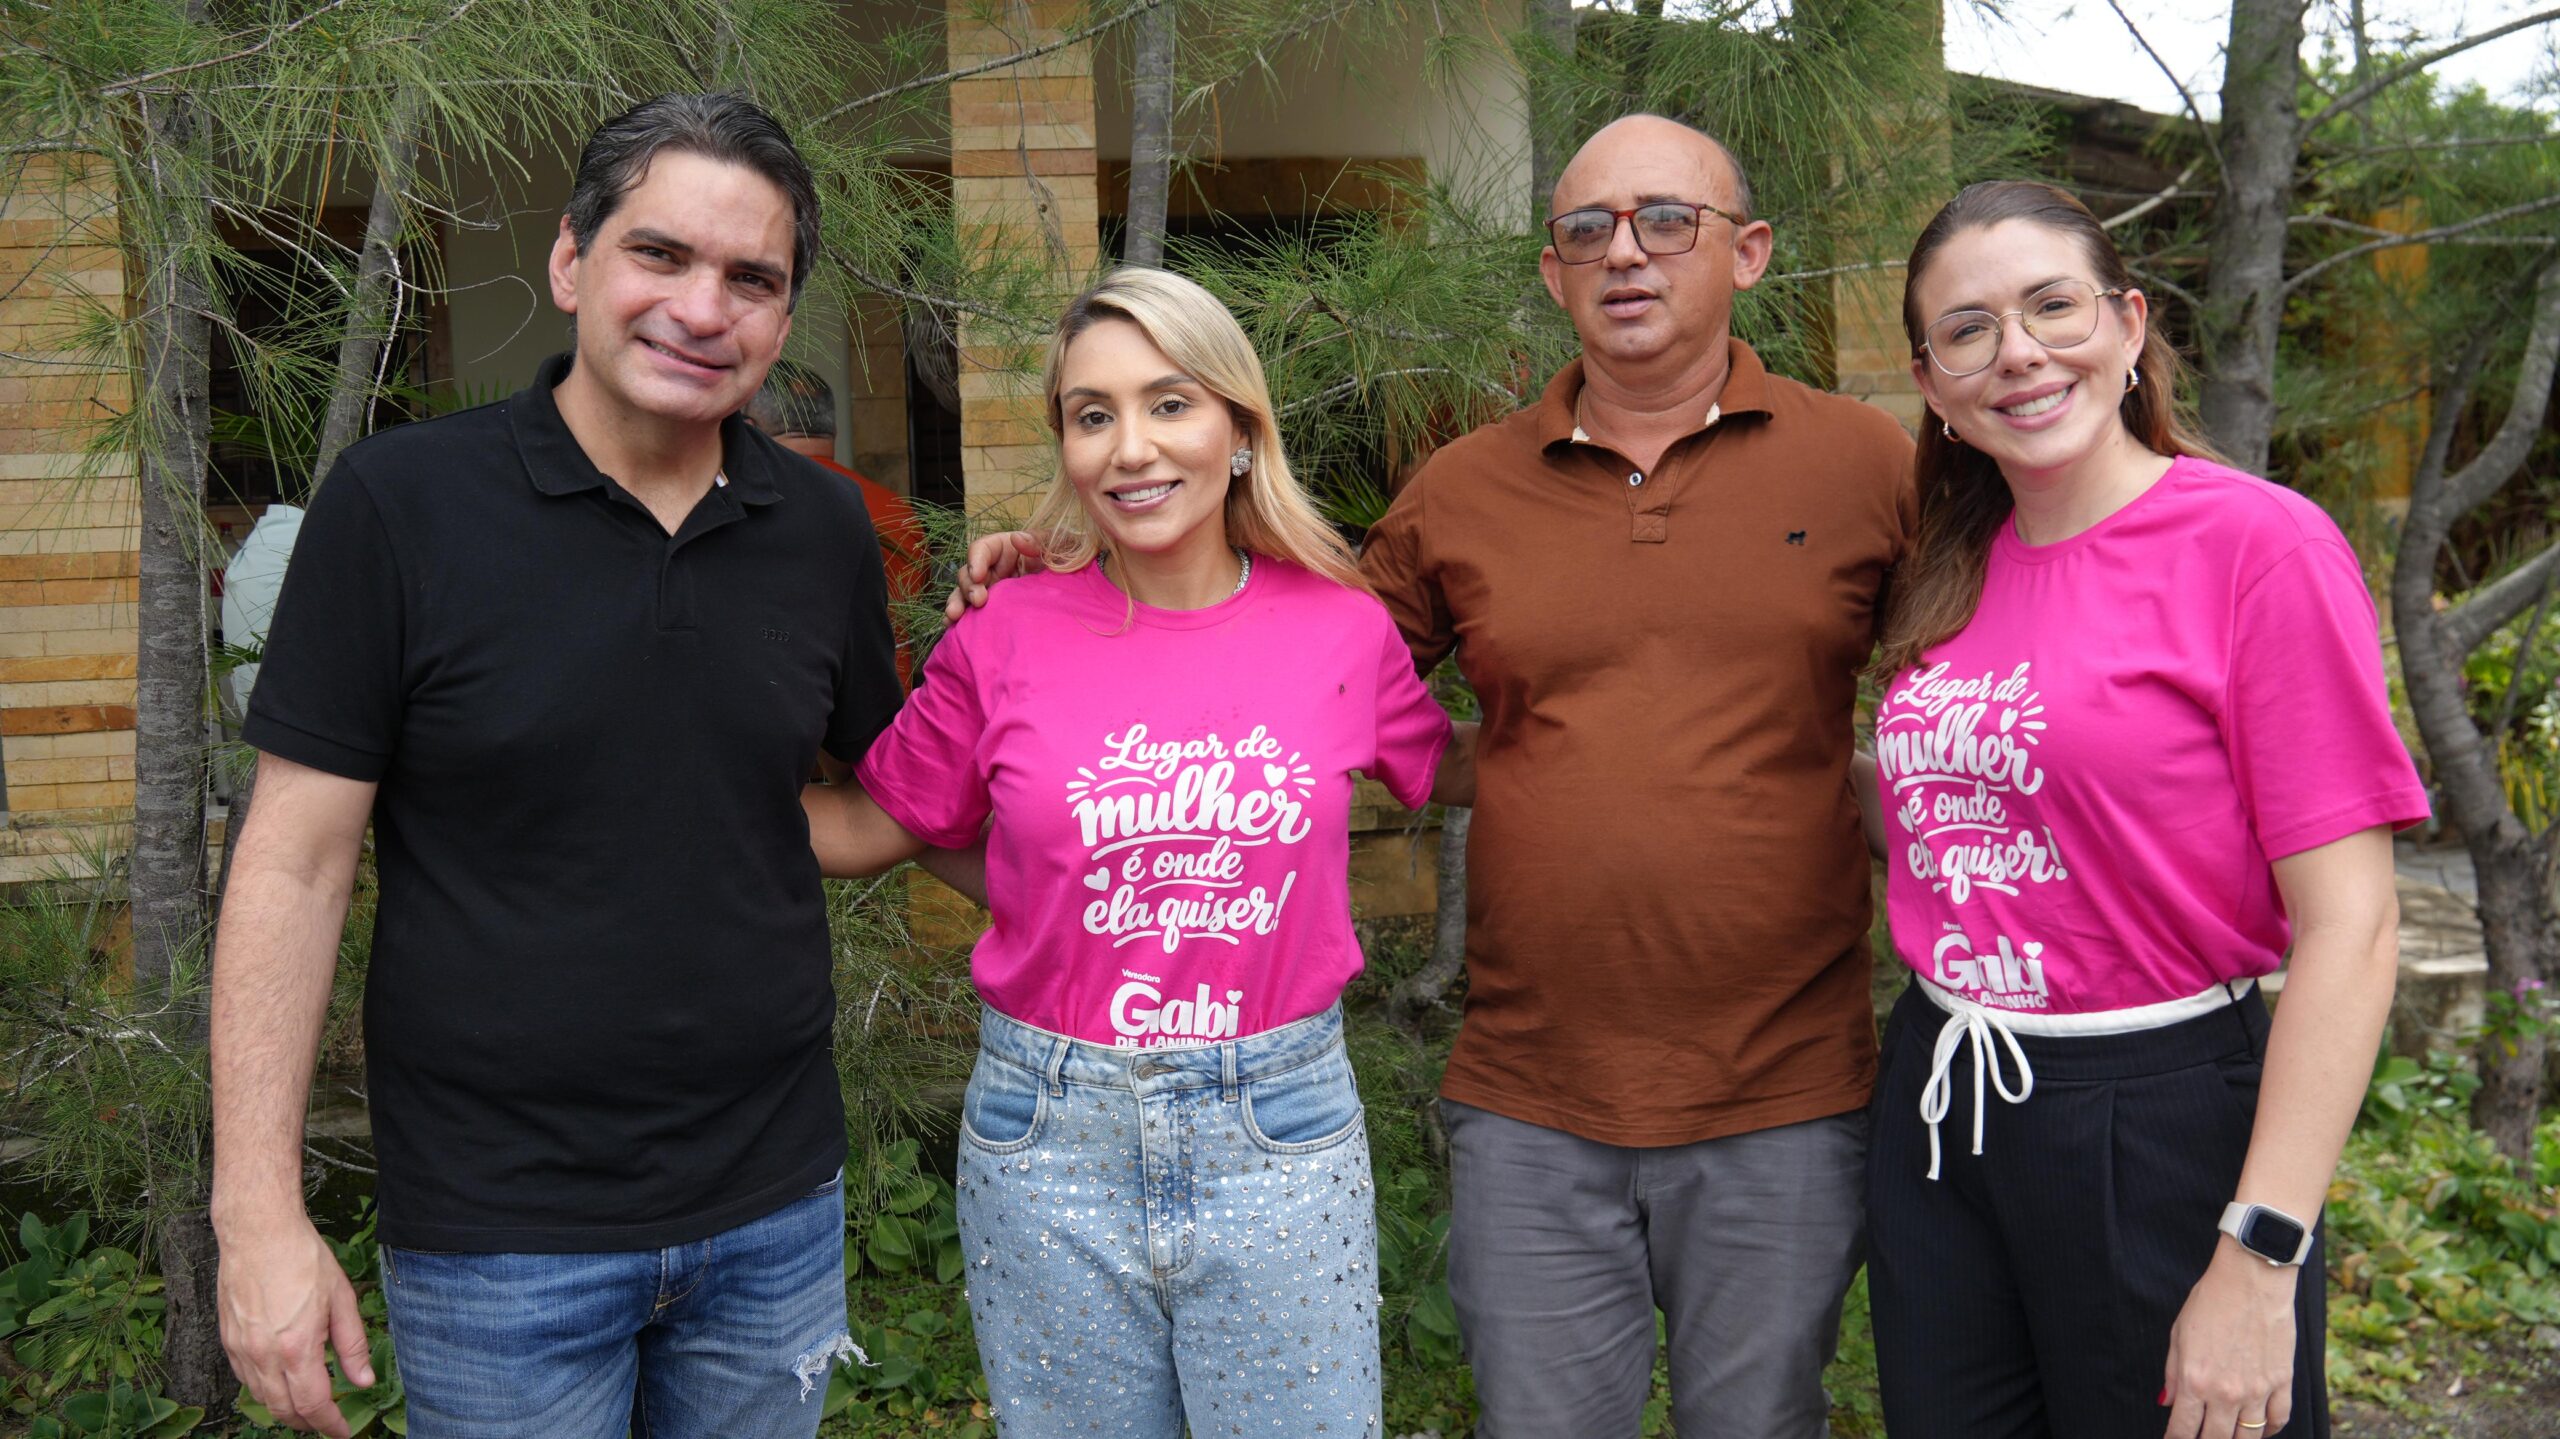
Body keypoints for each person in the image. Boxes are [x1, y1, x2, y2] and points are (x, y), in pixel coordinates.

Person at [950, 114, 1917, 1437]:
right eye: (1589, 229)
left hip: (1789, 1086)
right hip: (1530, 1095)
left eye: (1665, 221)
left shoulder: (1867, 464)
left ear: (1746, 251)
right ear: (1551, 271)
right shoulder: (1464, 492)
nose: (1624, 253)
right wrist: (1070, 584)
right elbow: (1271, 662)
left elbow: (1986, 681)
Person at [209, 95, 899, 1439]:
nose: (704, 309)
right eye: (662, 255)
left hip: (775, 1207)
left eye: (752, 279)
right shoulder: (400, 507)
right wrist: (257, 1214)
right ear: (573, 259)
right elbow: (294, 862)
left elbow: (893, 792)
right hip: (500, 1235)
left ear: (783, 314)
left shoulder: (820, 525)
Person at [799, 265, 1471, 1437]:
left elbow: (1468, 766)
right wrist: (643, 775)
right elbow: (871, 826)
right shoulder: (1005, 629)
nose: (1130, 447)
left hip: (1280, 1130)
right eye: (1092, 413)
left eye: (1169, 402)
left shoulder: (1340, 627)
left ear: (1239, 427)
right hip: (1046, 1133)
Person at [1864, 179, 2426, 1439]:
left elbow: (2355, 928)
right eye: (1967, 330)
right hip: (1945, 1103)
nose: (2016, 351)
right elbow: (1980, 801)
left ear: (2125, 327)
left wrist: (2260, 1249)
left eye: (2050, 306)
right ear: (1933, 382)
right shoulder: (1952, 568)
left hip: (2156, 1118)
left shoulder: (2253, 545)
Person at [743, 360, 929, 637]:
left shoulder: (754, 506)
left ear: (748, 428)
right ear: (832, 428)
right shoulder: (899, 512)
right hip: (893, 680)